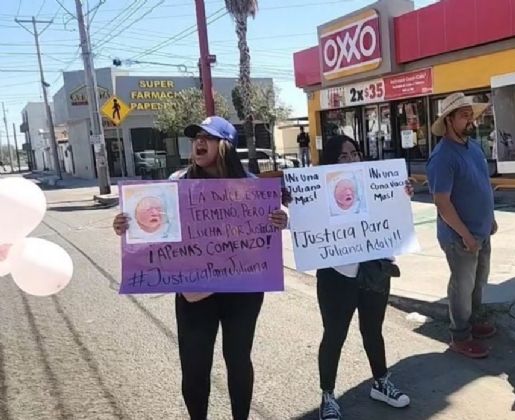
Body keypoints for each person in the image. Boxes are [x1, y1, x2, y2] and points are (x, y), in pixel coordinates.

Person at [112, 116, 289, 420]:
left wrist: (282, 217)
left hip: (243, 289)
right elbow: (154, 230)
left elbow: (276, 217)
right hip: (195, 291)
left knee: (238, 360)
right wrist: (126, 226)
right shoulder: (177, 184)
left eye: (207, 137)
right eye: (196, 137)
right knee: (194, 367)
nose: (198, 143)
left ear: (226, 146)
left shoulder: (252, 185)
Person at [316, 135, 412, 420]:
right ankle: (328, 395)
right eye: (343, 156)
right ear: (331, 161)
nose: (351, 160)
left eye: (354, 154)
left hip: (374, 269)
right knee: (334, 335)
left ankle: (381, 382)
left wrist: (401, 192)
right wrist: (293, 208)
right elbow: (305, 226)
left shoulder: (374, 183)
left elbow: (392, 211)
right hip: (336, 274)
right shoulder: (320, 191)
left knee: (373, 330)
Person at [426, 92, 497, 359]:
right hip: (460, 236)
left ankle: (473, 322)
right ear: (448, 120)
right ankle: (460, 335)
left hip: (481, 230)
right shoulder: (443, 156)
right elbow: (442, 202)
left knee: (478, 283)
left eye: (471, 115)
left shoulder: (473, 147)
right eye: (464, 115)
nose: (471, 120)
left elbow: (481, 185)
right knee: (462, 285)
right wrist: (466, 234)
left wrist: (490, 219)